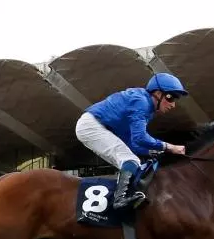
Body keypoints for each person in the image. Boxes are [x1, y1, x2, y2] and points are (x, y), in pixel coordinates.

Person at [75, 73, 188, 210]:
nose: (173, 104)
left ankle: (124, 196)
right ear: (158, 93)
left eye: (175, 99)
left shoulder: (146, 106)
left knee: (134, 162)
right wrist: (169, 147)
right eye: (170, 98)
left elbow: (133, 142)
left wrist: (152, 152)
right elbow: (140, 137)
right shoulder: (142, 103)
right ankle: (120, 200)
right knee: (130, 160)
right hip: (92, 126)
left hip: (100, 126)